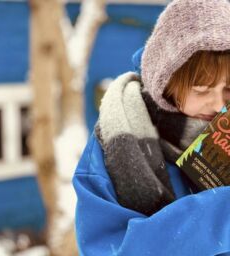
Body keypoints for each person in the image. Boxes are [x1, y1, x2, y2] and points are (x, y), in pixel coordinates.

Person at [72, 0, 230, 255]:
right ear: (167, 82)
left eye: (229, 89)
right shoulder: (117, 140)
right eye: (201, 89)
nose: (218, 102)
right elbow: (111, 249)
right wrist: (220, 214)